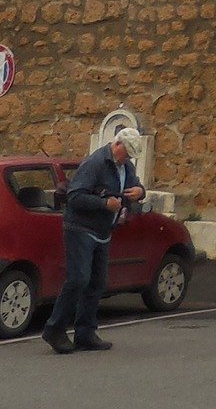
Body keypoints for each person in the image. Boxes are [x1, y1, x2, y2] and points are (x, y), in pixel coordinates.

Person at [43, 125, 145, 354]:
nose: (127, 158)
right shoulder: (95, 163)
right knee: (78, 279)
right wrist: (104, 204)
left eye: (130, 155)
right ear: (117, 144)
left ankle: (85, 332)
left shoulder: (125, 166)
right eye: (126, 152)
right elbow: (75, 196)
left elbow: (136, 186)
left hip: (103, 230)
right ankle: (55, 329)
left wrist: (139, 191)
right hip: (80, 227)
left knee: (97, 282)